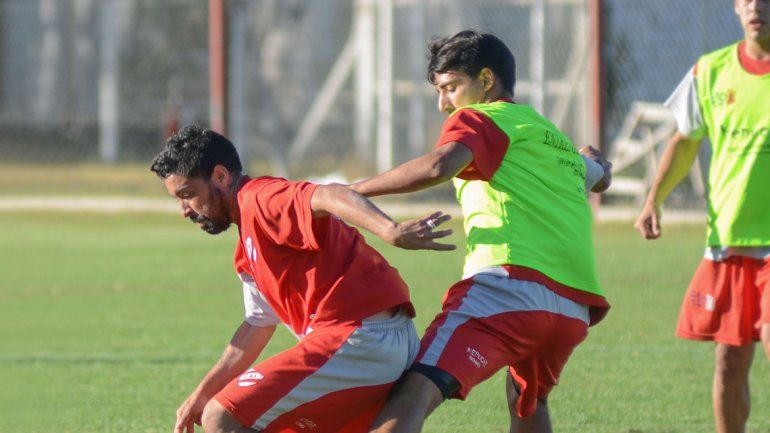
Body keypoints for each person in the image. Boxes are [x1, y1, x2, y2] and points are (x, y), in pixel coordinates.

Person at [348, 30, 612, 433]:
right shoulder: (551, 137)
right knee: (527, 400)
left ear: (486, 80)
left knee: (412, 394)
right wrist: (598, 165)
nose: (443, 104)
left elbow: (439, 165)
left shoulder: (480, 118)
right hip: (572, 307)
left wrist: (350, 191)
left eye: (450, 88)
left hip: (509, 287)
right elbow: (600, 175)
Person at [150, 125, 455, 433]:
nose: (185, 210)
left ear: (220, 176)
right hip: (376, 341)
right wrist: (203, 393)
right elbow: (257, 325)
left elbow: (331, 194)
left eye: (188, 195)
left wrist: (390, 230)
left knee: (220, 416)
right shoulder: (247, 248)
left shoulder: (260, 198)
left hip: (360, 338)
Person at [634, 1, 770, 432]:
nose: (757, 7)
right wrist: (654, 199)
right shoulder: (709, 70)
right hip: (729, 239)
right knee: (729, 361)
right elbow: (686, 140)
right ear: (736, 7)